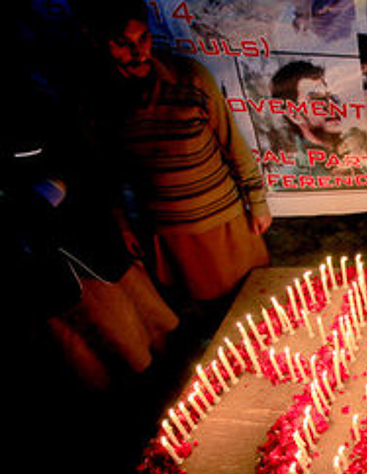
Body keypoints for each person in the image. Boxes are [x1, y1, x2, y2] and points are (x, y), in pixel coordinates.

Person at [84, 2, 272, 310]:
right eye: (123, 44)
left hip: (223, 220)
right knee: (208, 311)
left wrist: (258, 202)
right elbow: (107, 172)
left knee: (255, 300)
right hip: (172, 232)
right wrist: (123, 225)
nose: (139, 52)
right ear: (99, 42)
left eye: (143, 38)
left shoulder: (190, 78)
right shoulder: (101, 100)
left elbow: (232, 142)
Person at [6, 77, 179, 392]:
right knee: (118, 346)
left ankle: (171, 381)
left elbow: (84, 166)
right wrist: (41, 200)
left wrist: (118, 221)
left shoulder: (39, 107)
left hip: (95, 239)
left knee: (157, 324)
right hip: (52, 264)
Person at [268, 59, 367, 184]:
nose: (332, 105)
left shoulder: (359, 154)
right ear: (294, 115)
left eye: (332, 96)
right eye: (318, 99)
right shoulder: (289, 182)